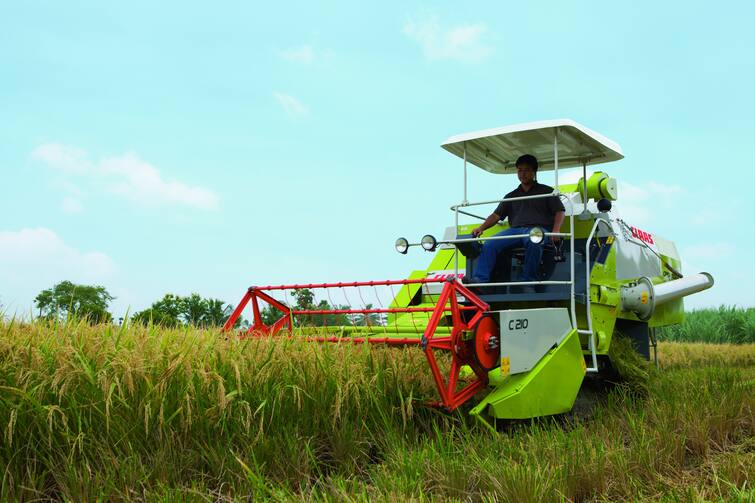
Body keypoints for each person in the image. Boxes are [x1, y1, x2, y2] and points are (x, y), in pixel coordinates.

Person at [468, 154, 565, 285]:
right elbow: (496, 216)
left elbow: (560, 211)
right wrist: (481, 228)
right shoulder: (511, 196)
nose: (522, 174)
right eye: (520, 170)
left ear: (534, 172)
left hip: (538, 231)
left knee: (534, 240)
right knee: (490, 244)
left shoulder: (547, 191)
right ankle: (480, 280)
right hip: (515, 231)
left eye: (526, 170)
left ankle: (528, 281)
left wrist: (556, 230)